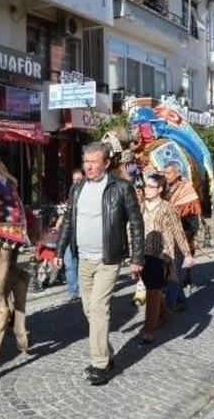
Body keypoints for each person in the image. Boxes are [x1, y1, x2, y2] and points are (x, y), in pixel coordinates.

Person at [55, 142, 144, 386]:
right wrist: (59, 250)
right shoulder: (77, 188)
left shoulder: (122, 188)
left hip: (109, 259)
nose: (88, 166)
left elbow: (136, 223)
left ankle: (100, 364)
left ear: (106, 164)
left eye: (93, 162)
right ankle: (107, 352)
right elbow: (68, 222)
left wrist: (137, 258)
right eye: (86, 162)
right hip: (83, 258)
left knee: (99, 309)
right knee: (89, 310)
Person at [140, 174, 192, 343]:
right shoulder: (140, 206)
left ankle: (149, 329)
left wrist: (187, 254)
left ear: (160, 189)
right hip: (142, 254)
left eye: (150, 186)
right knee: (150, 287)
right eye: (145, 186)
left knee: (153, 291)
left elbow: (178, 231)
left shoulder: (167, 208)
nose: (146, 189)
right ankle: (162, 314)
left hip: (160, 255)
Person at [163, 162, 201, 311]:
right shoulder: (164, 190)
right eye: (164, 173)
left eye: (168, 173)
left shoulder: (188, 192)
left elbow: (193, 221)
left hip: (181, 238)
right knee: (169, 272)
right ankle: (181, 301)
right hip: (164, 239)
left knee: (174, 273)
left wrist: (185, 236)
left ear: (177, 174)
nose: (165, 176)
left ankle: (168, 305)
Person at [54, 169, 84, 301]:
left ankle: (83, 290)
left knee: (80, 265)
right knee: (70, 264)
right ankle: (74, 292)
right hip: (69, 235)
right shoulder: (72, 195)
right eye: (74, 180)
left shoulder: (89, 195)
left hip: (83, 236)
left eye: (79, 179)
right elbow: (67, 215)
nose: (76, 182)